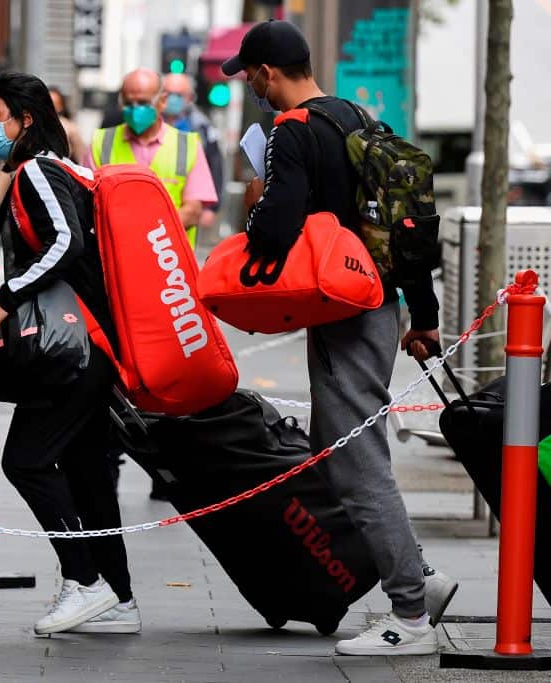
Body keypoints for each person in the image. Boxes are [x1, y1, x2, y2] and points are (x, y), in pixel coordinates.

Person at [221, 19, 457, 656]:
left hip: (342, 312)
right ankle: (421, 577)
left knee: (357, 461)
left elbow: (274, 232)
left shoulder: (291, 131)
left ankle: (410, 614)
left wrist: (257, 198)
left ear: (267, 73)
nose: (252, 88)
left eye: (251, 77)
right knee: (337, 446)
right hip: (377, 304)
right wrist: (423, 315)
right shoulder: (356, 118)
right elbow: (405, 223)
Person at [0, 71, 139, 635]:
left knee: (25, 460)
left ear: (25, 120)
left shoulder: (39, 170)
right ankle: (118, 601)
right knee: (88, 474)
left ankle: (85, 582)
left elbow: (66, 242)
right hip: (93, 347)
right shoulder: (62, 169)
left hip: (73, 351)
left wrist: (7, 295)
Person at [85, 68, 217, 250]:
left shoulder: (188, 145)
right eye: (128, 103)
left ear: (162, 101)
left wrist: (146, 237)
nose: (135, 109)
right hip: (114, 256)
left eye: (143, 102)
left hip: (170, 261)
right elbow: (89, 204)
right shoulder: (101, 142)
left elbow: (193, 211)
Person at [0, 84, 86, 221]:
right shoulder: (26, 132)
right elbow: (5, 171)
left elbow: (83, 160)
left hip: (61, 190)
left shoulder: (70, 129)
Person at [161, 73, 224, 234]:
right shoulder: (150, 122)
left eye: (178, 95)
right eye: (168, 93)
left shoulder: (201, 126)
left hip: (187, 208)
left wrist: (212, 208)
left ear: (189, 97)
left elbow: (215, 165)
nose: (172, 99)